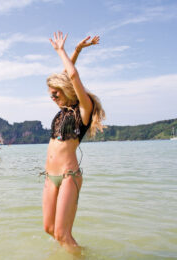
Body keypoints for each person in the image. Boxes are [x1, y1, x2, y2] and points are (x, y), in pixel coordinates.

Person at [42, 31, 106, 254]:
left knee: (62, 233)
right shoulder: (62, 111)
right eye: (50, 95)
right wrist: (76, 51)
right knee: (49, 228)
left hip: (69, 175)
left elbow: (73, 75)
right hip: (50, 177)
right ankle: (83, 253)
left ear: (66, 91)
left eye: (55, 94)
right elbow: (66, 77)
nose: (53, 98)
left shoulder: (84, 110)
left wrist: (62, 51)